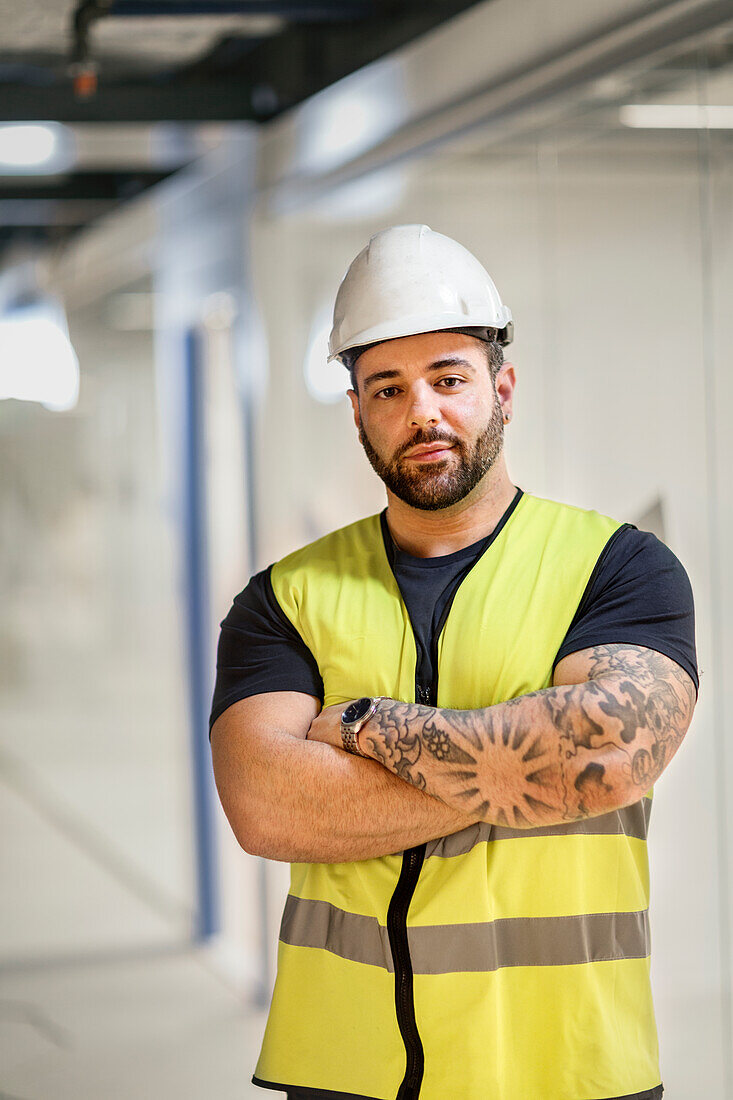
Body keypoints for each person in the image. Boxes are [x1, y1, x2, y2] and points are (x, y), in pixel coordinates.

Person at [209, 224, 699, 1100]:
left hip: (563, 1063)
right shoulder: (285, 597)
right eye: (387, 388)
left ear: (502, 388)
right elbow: (264, 805)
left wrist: (364, 728)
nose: (421, 412)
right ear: (356, 410)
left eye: (449, 379)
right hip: (344, 1068)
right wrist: (528, 767)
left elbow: (607, 754)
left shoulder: (616, 568)